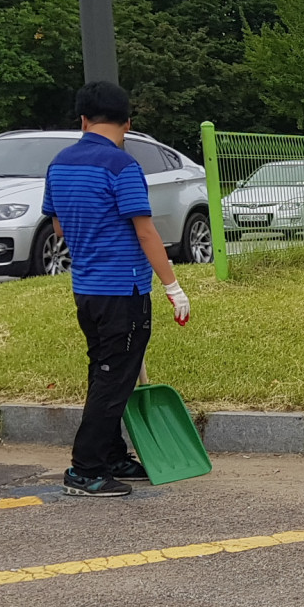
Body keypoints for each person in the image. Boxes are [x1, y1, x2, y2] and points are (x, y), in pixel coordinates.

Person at [39, 81, 192, 498]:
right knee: (113, 377)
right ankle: (85, 469)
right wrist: (173, 287)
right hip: (123, 290)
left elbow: (57, 226)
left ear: (83, 120)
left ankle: (111, 454)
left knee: (105, 370)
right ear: (127, 122)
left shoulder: (59, 165)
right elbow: (146, 233)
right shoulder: (122, 167)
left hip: (86, 289)